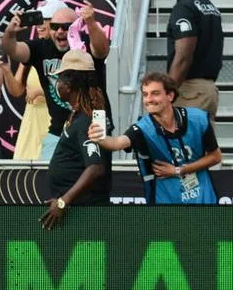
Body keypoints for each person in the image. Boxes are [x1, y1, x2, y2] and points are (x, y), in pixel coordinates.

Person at [2, 0, 111, 160]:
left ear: (76, 26)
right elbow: (12, 50)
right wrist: (10, 33)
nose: (60, 31)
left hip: (94, 124)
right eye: (55, 26)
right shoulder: (41, 47)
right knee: (51, 172)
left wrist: (92, 23)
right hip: (58, 128)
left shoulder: (87, 43)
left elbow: (102, 50)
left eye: (66, 27)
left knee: (94, 171)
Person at [90, 71, 221, 204]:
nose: (149, 99)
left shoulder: (197, 118)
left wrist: (179, 170)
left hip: (204, 200)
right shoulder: (142, 128)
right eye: (145, 94)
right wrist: (100, 138)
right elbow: (117, 143)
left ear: (170, 95)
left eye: (155, 93)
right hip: (166, 204)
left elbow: (216, 157)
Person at [39, 50, 112, 229]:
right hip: (78, 209)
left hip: (85, 212)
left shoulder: (87, 119)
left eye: (59, 79)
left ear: (69, 84)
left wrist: (63, 201)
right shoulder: (82, 114)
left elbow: (95, 168)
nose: (57, 84)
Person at [158, 0, 224, 116]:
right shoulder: (207, 5)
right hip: (208, 91)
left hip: (189, 92)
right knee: (204, 134)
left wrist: (167, 93)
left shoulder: (184, 8)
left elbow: (184, 57)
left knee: (181, 135)